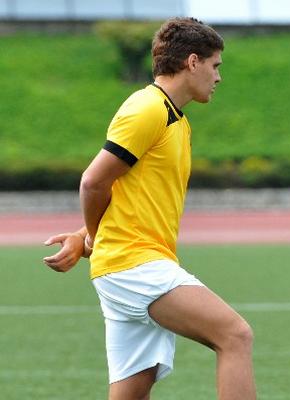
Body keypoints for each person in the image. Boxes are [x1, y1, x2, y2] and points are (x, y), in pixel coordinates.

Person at [43, 18, 256, 400]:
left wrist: (83, 236)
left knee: (134, 390)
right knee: (234, 335)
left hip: (130, 264)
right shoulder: (147, 108)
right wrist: (93, 235)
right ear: (193, 62)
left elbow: (126, 192)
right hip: (135, 265)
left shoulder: (176, 119)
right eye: (215, 65)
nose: (218, 76)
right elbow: (93, 182)